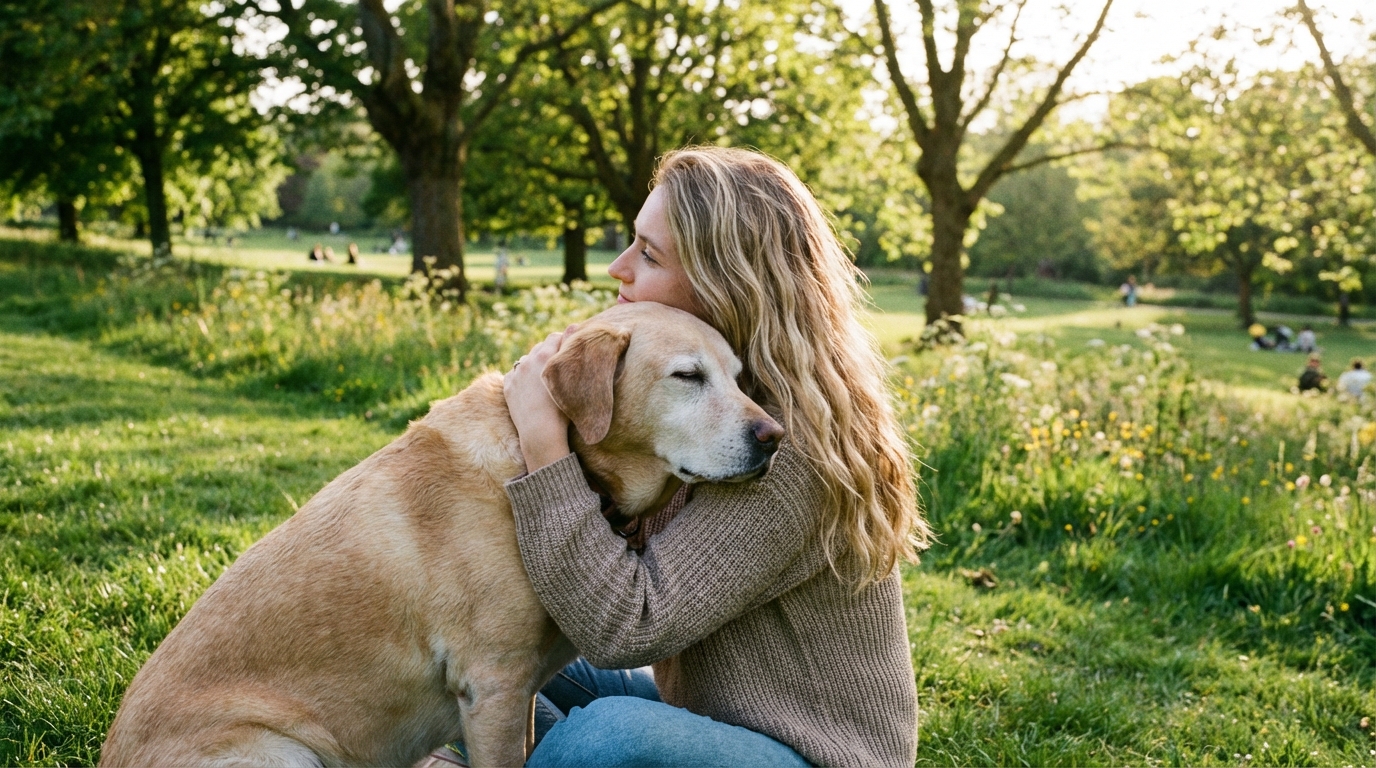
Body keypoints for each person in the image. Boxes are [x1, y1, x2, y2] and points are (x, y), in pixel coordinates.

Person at [495, 147, 929, 768]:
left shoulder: (779, 445)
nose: (618, 268)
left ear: (727, 283)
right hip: (709, 724)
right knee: (500, 661)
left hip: (813, 757)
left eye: (648, 254)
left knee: (603, 738)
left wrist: (545, 448)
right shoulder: (695, 405)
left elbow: (628, 626)